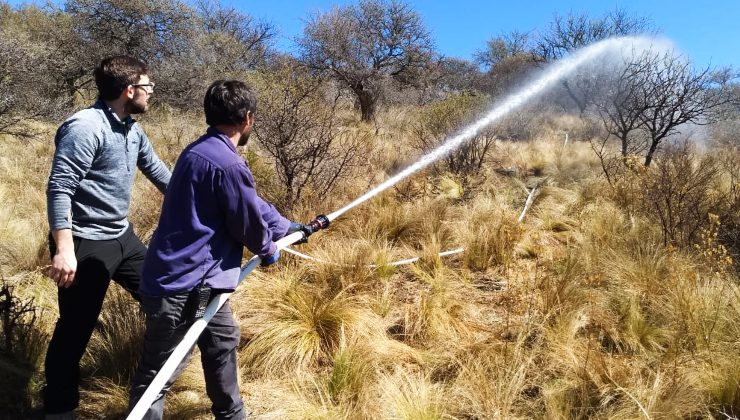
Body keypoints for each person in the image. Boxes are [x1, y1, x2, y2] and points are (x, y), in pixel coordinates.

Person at [129, 79, 312, 420]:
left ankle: (231, 415)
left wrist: (284, 226)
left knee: (223, 341)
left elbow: (248, 203)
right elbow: (246, 223)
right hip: (183, 287)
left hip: (202, 283)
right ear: (247, 119)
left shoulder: (200, 150)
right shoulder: (228, 164)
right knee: (158, 377)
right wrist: (268, 249)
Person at [44, 55, 171, 419]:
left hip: (121, 236)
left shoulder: (132, 128)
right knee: (75, 331)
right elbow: (59, 188)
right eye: (147, 87)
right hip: (83, 242)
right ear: (129, 90)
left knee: (163, 297)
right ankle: (59, 409)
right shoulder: (85, 127)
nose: (151, 93)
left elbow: (162, 175)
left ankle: (153, 382)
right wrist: (64, 250)